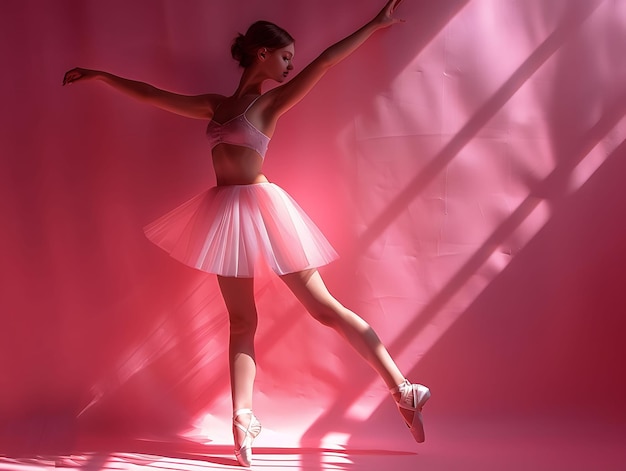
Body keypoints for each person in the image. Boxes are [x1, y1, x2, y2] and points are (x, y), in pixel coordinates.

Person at [63, 0, 430, 467]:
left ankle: (403, 389)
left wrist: (375, 24)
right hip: (225, 214)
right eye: (284, 56)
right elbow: (154, 94)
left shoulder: (271, 102)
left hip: (264, 208)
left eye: (291, 58)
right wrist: (102, 76)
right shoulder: (217, 106)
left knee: (323, 309)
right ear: (260, 53)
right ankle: (243, 424)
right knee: (242, 322)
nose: (290, 64)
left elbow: (328, 59)